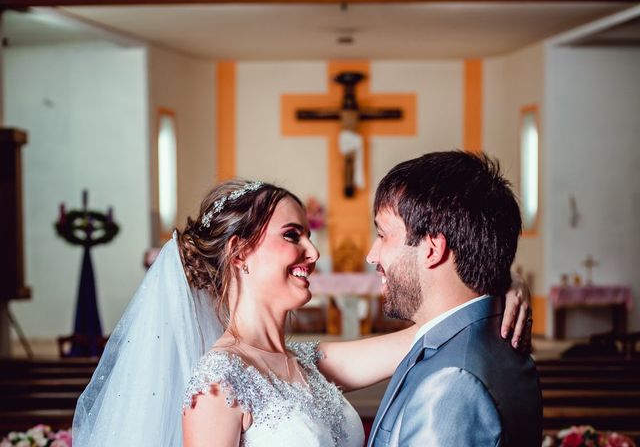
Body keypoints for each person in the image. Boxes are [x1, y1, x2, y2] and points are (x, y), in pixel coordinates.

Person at [72, 178, 532, 447]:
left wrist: (500, 289)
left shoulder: (310, 362)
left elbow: (437, 330)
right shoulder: (217, 385)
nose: (312, 251)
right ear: (239, 252)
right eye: (293, 235)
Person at [366, 151, 542, 447]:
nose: (372, 255)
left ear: (433, 249)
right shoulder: (485, 335)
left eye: (382, 235)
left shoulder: (452, 383)